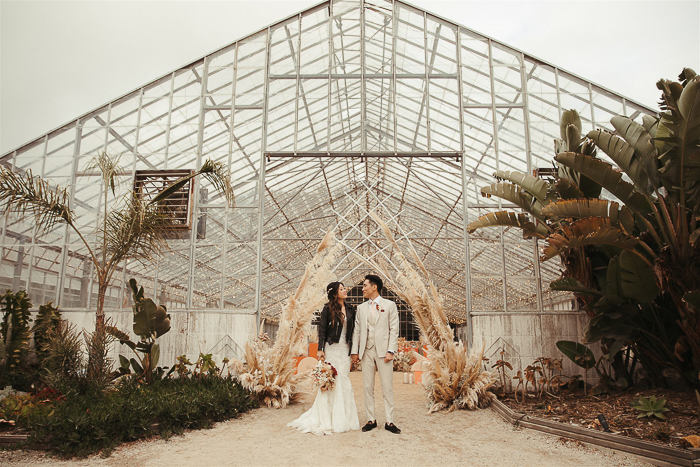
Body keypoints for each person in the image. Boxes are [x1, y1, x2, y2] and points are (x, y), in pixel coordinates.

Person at [288, 282, 360, 435]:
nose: (345, 290)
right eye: (341, 289)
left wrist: (355, 350)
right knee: (332, 379)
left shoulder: (350, 309)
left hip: (345, 349)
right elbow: (322, 329)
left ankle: (345, 417)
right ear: (334, 293)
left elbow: (353, 331)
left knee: (344, 379)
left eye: (344, 288)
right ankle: (328, 417)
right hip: (332, 348)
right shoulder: (327, 309)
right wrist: (320, 348)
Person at [351, 274, 401, 434]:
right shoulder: (361, 308)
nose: (362, 289)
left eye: (365, 285)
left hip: (384, 351)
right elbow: (357, 330)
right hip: (366, 350)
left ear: (374, 287)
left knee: (387, 386)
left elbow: (394, 329)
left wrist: (391, 350)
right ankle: (371, 419)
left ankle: (390, 421)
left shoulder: (390, 305)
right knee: (367, 387)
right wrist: (355, 351)